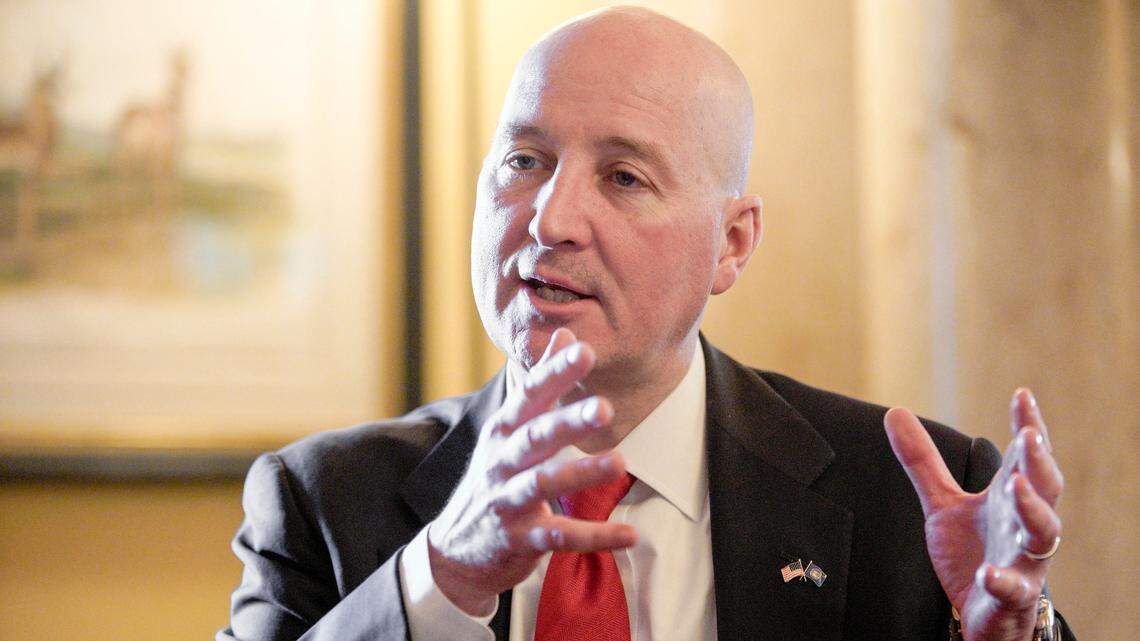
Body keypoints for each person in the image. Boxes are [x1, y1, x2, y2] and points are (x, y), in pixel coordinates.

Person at [220, 7, 1074, 641]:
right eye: (525, 160)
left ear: (730, 245)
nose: (551, 218)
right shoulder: (321, 501)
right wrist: (439, 579)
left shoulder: (907, 501)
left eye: (624, 177)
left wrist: (1008, 635)